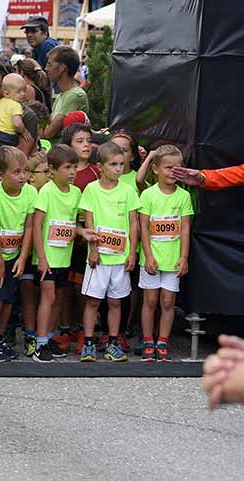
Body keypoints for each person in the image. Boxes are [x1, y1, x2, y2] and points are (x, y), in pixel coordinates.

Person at [78, 142, 140, 363]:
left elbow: (134, 223)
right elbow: (89, 220)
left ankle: (113, 342)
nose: (118, 169)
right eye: (113, 164)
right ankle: (88, 343)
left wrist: (132, 252)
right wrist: (93, 249)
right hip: (100, 258)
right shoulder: (91, 190)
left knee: (116, 301)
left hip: (120, 257)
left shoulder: (129, 190)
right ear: (100, 167)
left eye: (121, 164)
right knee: (93, 302)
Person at [0, 146, 36, 363]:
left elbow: (29, 227)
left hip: (15, 253)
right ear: (1, 175)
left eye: (25, 171)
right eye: (16, 172)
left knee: (9, 299)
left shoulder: (30, 192)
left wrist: (22, 258)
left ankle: (0, 339)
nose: (23, 176)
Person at [137, 144, 193, 362]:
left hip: (173, 259)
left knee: (168, 301)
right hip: (151, 259)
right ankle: (147, 340)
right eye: (168, 167)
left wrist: (184, 256)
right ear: (156, 169)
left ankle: (163, 341)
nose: (172, 172)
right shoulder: (148, 195)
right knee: (150, 301)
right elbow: (144, 228)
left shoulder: (183, 197)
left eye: (177, 167)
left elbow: (185, 228)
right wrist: (148, 256)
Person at [30, 144, 84, 363]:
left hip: (64, 256)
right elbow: (36, 226)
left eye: (75, 167)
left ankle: (50, 337)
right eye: (67, 168)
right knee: (48, 297)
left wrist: (82, 231)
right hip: (47, 257)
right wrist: (41, 257)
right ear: (52, 169)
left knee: (58, 299)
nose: (72, 172)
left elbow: (74, 223)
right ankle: (39, 343)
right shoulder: (47, 192)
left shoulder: (76, 193)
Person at [42, 46, 89, 143]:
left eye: (50, 65)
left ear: (62, 68)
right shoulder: (61, 95)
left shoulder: (75, 95)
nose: (46, 68)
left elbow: (48, 133)